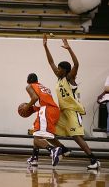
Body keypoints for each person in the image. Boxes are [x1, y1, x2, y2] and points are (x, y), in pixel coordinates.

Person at [43, 34, 100, 169]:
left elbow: (76, 64)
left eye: (60, 68)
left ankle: (94, 161)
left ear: (65, 70)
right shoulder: (60, 79)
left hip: (73, 111)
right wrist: (45, 46)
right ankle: (63, 149)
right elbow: (50, 63)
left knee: (77, 137)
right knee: (47, 132)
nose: (57, 69)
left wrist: (69, 48)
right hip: (63, 112)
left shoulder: (70, 78)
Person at [20, 73, 64, 167]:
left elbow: (35, 98)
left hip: (46, 111)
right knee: (37, 134)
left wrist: (26, 107)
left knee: (37, 138)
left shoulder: (29, 86)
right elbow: (41, 102)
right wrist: (32, 109)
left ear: (28, 81)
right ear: (37, 80)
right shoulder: (43, 87)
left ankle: (53, 150)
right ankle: (34, 158)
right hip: (53, 110)